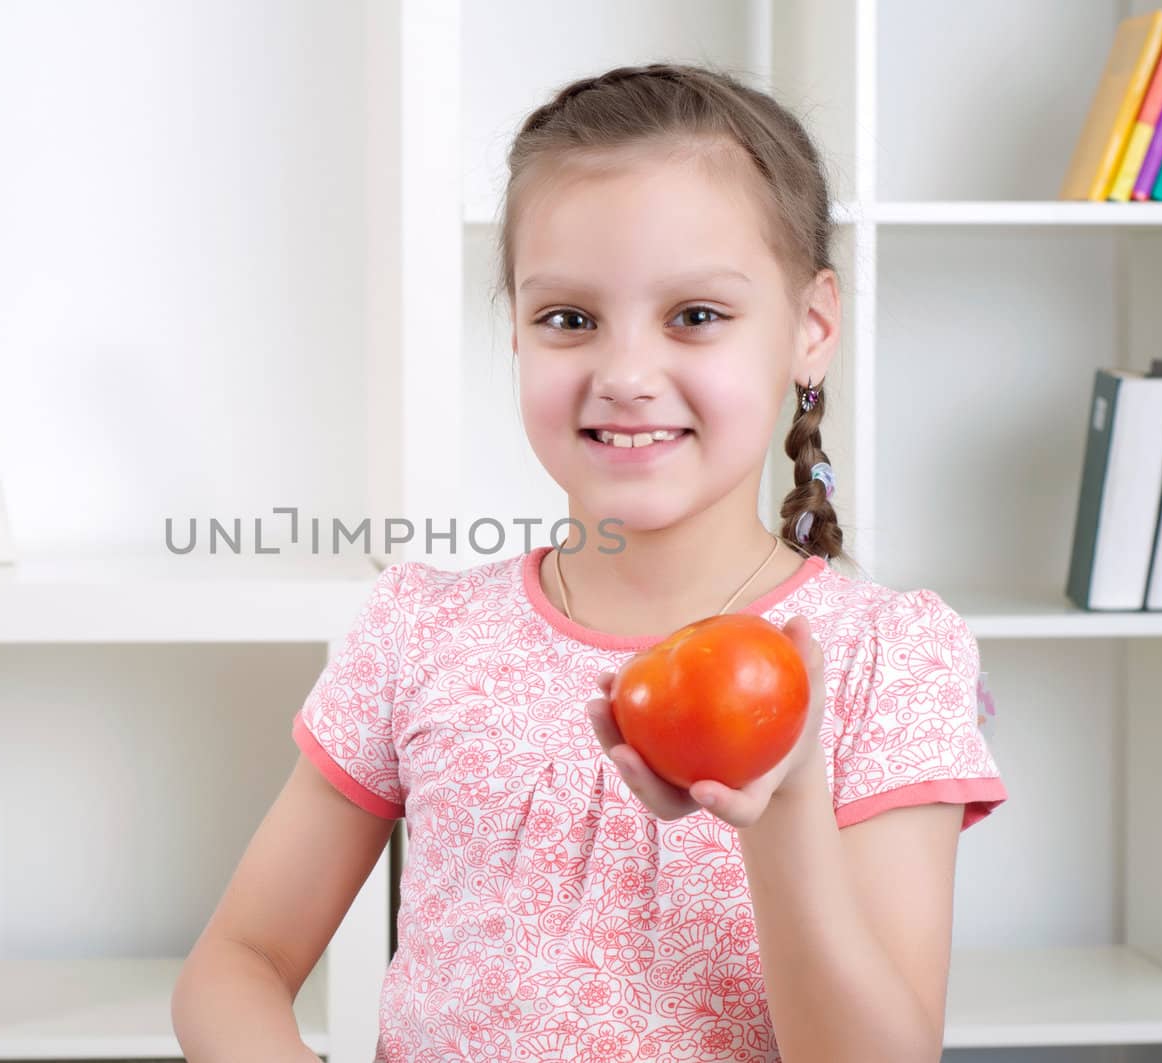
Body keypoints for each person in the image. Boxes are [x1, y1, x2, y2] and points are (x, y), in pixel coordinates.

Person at [172, 61, 1008, 1063]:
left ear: (811, 327)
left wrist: (782, 813)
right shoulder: (419, 629)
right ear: (517, 333)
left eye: (695, 315)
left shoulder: (885, 659)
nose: (623, 374)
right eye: (568, 318)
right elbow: (238, 962)